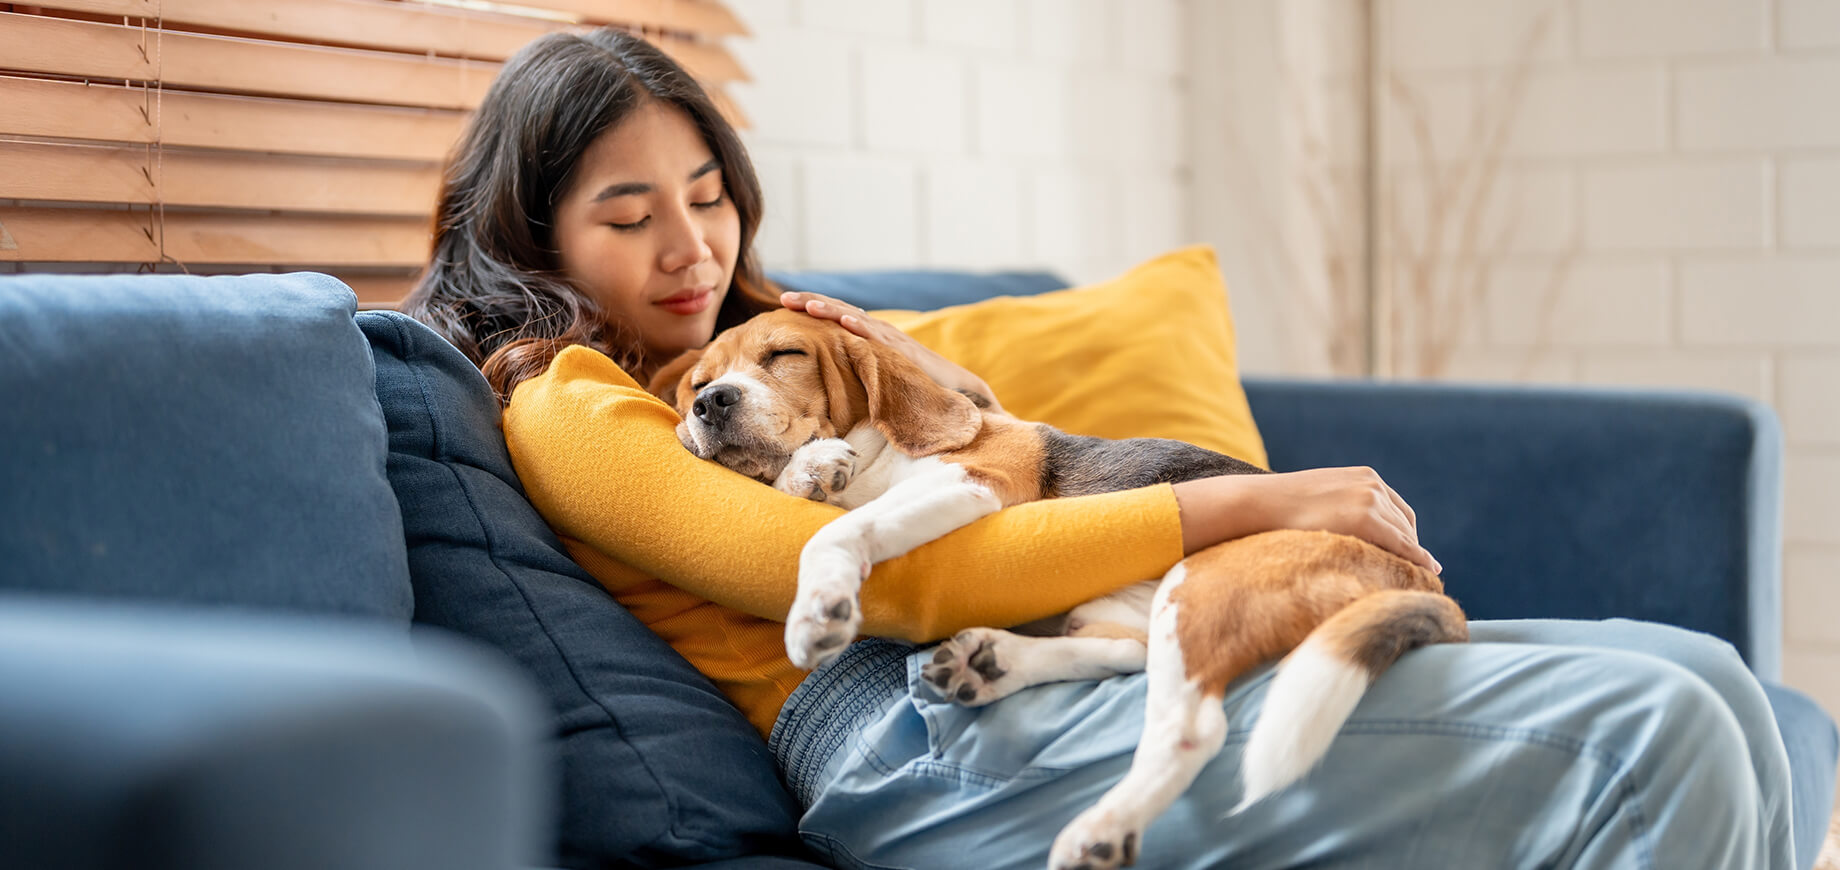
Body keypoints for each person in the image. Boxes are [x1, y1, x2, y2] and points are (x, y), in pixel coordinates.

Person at [402, 28, 1797, 870]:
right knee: (1655, 733)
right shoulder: (574, 405)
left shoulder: (770, 348)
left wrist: (872, 346)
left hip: (1034, 661)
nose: (693, 243)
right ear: (537, 237)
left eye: (708, 196)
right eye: (630, 213)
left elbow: (983, 446)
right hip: (906, 727)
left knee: (1712, 680)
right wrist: (1258, 496)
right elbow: (892, 586)